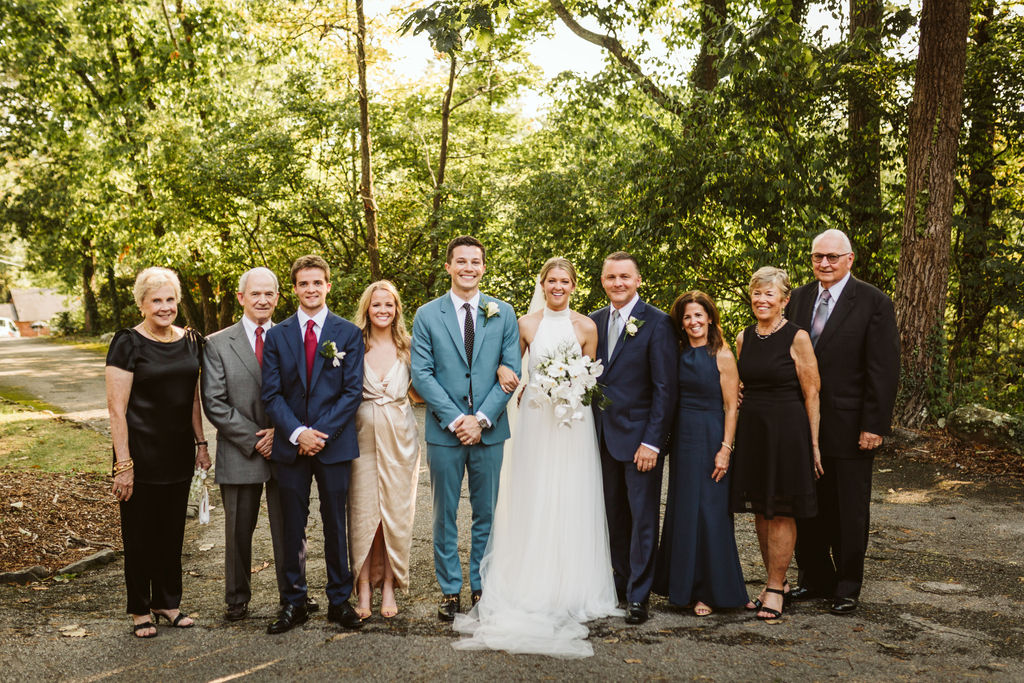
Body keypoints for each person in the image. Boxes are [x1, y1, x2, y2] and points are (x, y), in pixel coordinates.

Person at [453, 257, 622, 658]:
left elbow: (591, 376)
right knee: (533, 494)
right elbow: (507, 367)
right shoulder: (526, 324)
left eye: (565, 281)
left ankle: (573, 582)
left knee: (571, 494)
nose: (558, 286)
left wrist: (571, 387)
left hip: (571, 424)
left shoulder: (587, 326)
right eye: (552, 280)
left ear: (575, 285)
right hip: (533, 420)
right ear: (542, 284)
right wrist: (508, 376)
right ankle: (529, 576)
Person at [786, 229, 900, 615]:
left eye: (833, 257)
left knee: (849, 508)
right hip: (801, 423)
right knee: (808, 503)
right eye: (818, 256)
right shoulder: (798, 298)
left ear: (850, 259)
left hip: (851, 425)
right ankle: (814, 578)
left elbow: (883, 369)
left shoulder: (874, 302)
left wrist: (874, 425)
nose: (825, 263)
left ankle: (847, 586)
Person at [410, 235, 521, 621]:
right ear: (448, 267)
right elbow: (421, 375)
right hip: (445, 431)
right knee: (444, 514)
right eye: (461, 261)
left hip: (489, 431)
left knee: (486, 513)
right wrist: (459, 420)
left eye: (475, 261)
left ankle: (481, 586)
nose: (468, 267)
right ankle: (450, 590)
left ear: (484, 267)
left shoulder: (503, 312)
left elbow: (512, 372)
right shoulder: (427, 314)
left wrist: (482, 420)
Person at [201, 267, 318, 622]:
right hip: (241, 450)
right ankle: (236, 598)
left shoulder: (292, 336)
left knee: (290, 528)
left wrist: (281, 435)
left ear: (279, 297)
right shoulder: (218, 343)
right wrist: (257, 439)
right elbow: (215, 402)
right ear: (241, 297)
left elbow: (305, 394)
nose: (263, 300)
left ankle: (293, 595)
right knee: (238, 529)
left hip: (286, 447)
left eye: (269, 293)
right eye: (255, 294)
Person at [261, 255, 365, 634]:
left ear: (328, 286)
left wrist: (318, 433)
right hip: (291, 446)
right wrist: (296, 434)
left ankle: (340, 600)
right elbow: (271, 395)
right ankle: (294, 601)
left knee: (336, 523)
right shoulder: (277, 335)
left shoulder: (349, 333)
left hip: (333, 445)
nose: (310, 289)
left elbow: (352, 392)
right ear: (294, 289)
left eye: (317, 283)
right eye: (303, 284)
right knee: (293, 526)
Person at [105, 267, 210, 638]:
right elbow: (117, 408)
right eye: (156, 301)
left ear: (178, 302)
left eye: (170, 299)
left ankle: (167, 601)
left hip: (178, 451)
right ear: (142, 304)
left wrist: (200, 443)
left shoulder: (191, 340)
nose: (165, 307)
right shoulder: (127, 343)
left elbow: (192, 398)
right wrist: (124, 464)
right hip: (140, 454)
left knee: (171, 532)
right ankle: (139, 610)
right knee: (140, 535)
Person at [590, 251, 678, 625]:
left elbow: (665, 388)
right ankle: (620, 585)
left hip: (641, 440)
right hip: (599, 439)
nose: (618, 283)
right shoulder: (592, 322)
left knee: (643, 518)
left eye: (625, 277)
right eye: (611, 277)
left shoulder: (658, 323)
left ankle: (640, 595)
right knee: (612, 516)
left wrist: (653, 442)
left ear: (638, 280)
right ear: (603, 281)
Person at [730, 266, 822, 621]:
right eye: (757, 293)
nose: (762, 300)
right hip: (753, 430)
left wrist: (813, 444)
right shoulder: (743, 337)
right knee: (760, 509)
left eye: (770, 294)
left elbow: (812, 393)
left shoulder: (797, 337)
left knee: (781, 509)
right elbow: (741, 382)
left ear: (784, 300)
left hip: (787, 431)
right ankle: (777, 583)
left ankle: (773, 586)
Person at [653, 291, 750, 616]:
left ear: (710, 317)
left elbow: (730, 408)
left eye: (698, 315)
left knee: (711, 512)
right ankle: (685, 588)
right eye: (687, 317)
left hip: (711, 436)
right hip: (684, 438)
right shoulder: (677, 352)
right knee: (683, 510)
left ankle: (712, 591)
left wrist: (726, 449)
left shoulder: (721, 354)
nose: (693, 322)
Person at [348, 280, 421, 619]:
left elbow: (423, 388)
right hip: (361, 438)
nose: (382, 310)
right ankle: (363, 586)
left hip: (401, 438)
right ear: (367, 308)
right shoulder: (352, 344)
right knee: (364, 512)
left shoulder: (409, 346)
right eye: (376, 304)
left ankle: (389, 583)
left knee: (394, 512)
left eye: (388, 305)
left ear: (396, 309)